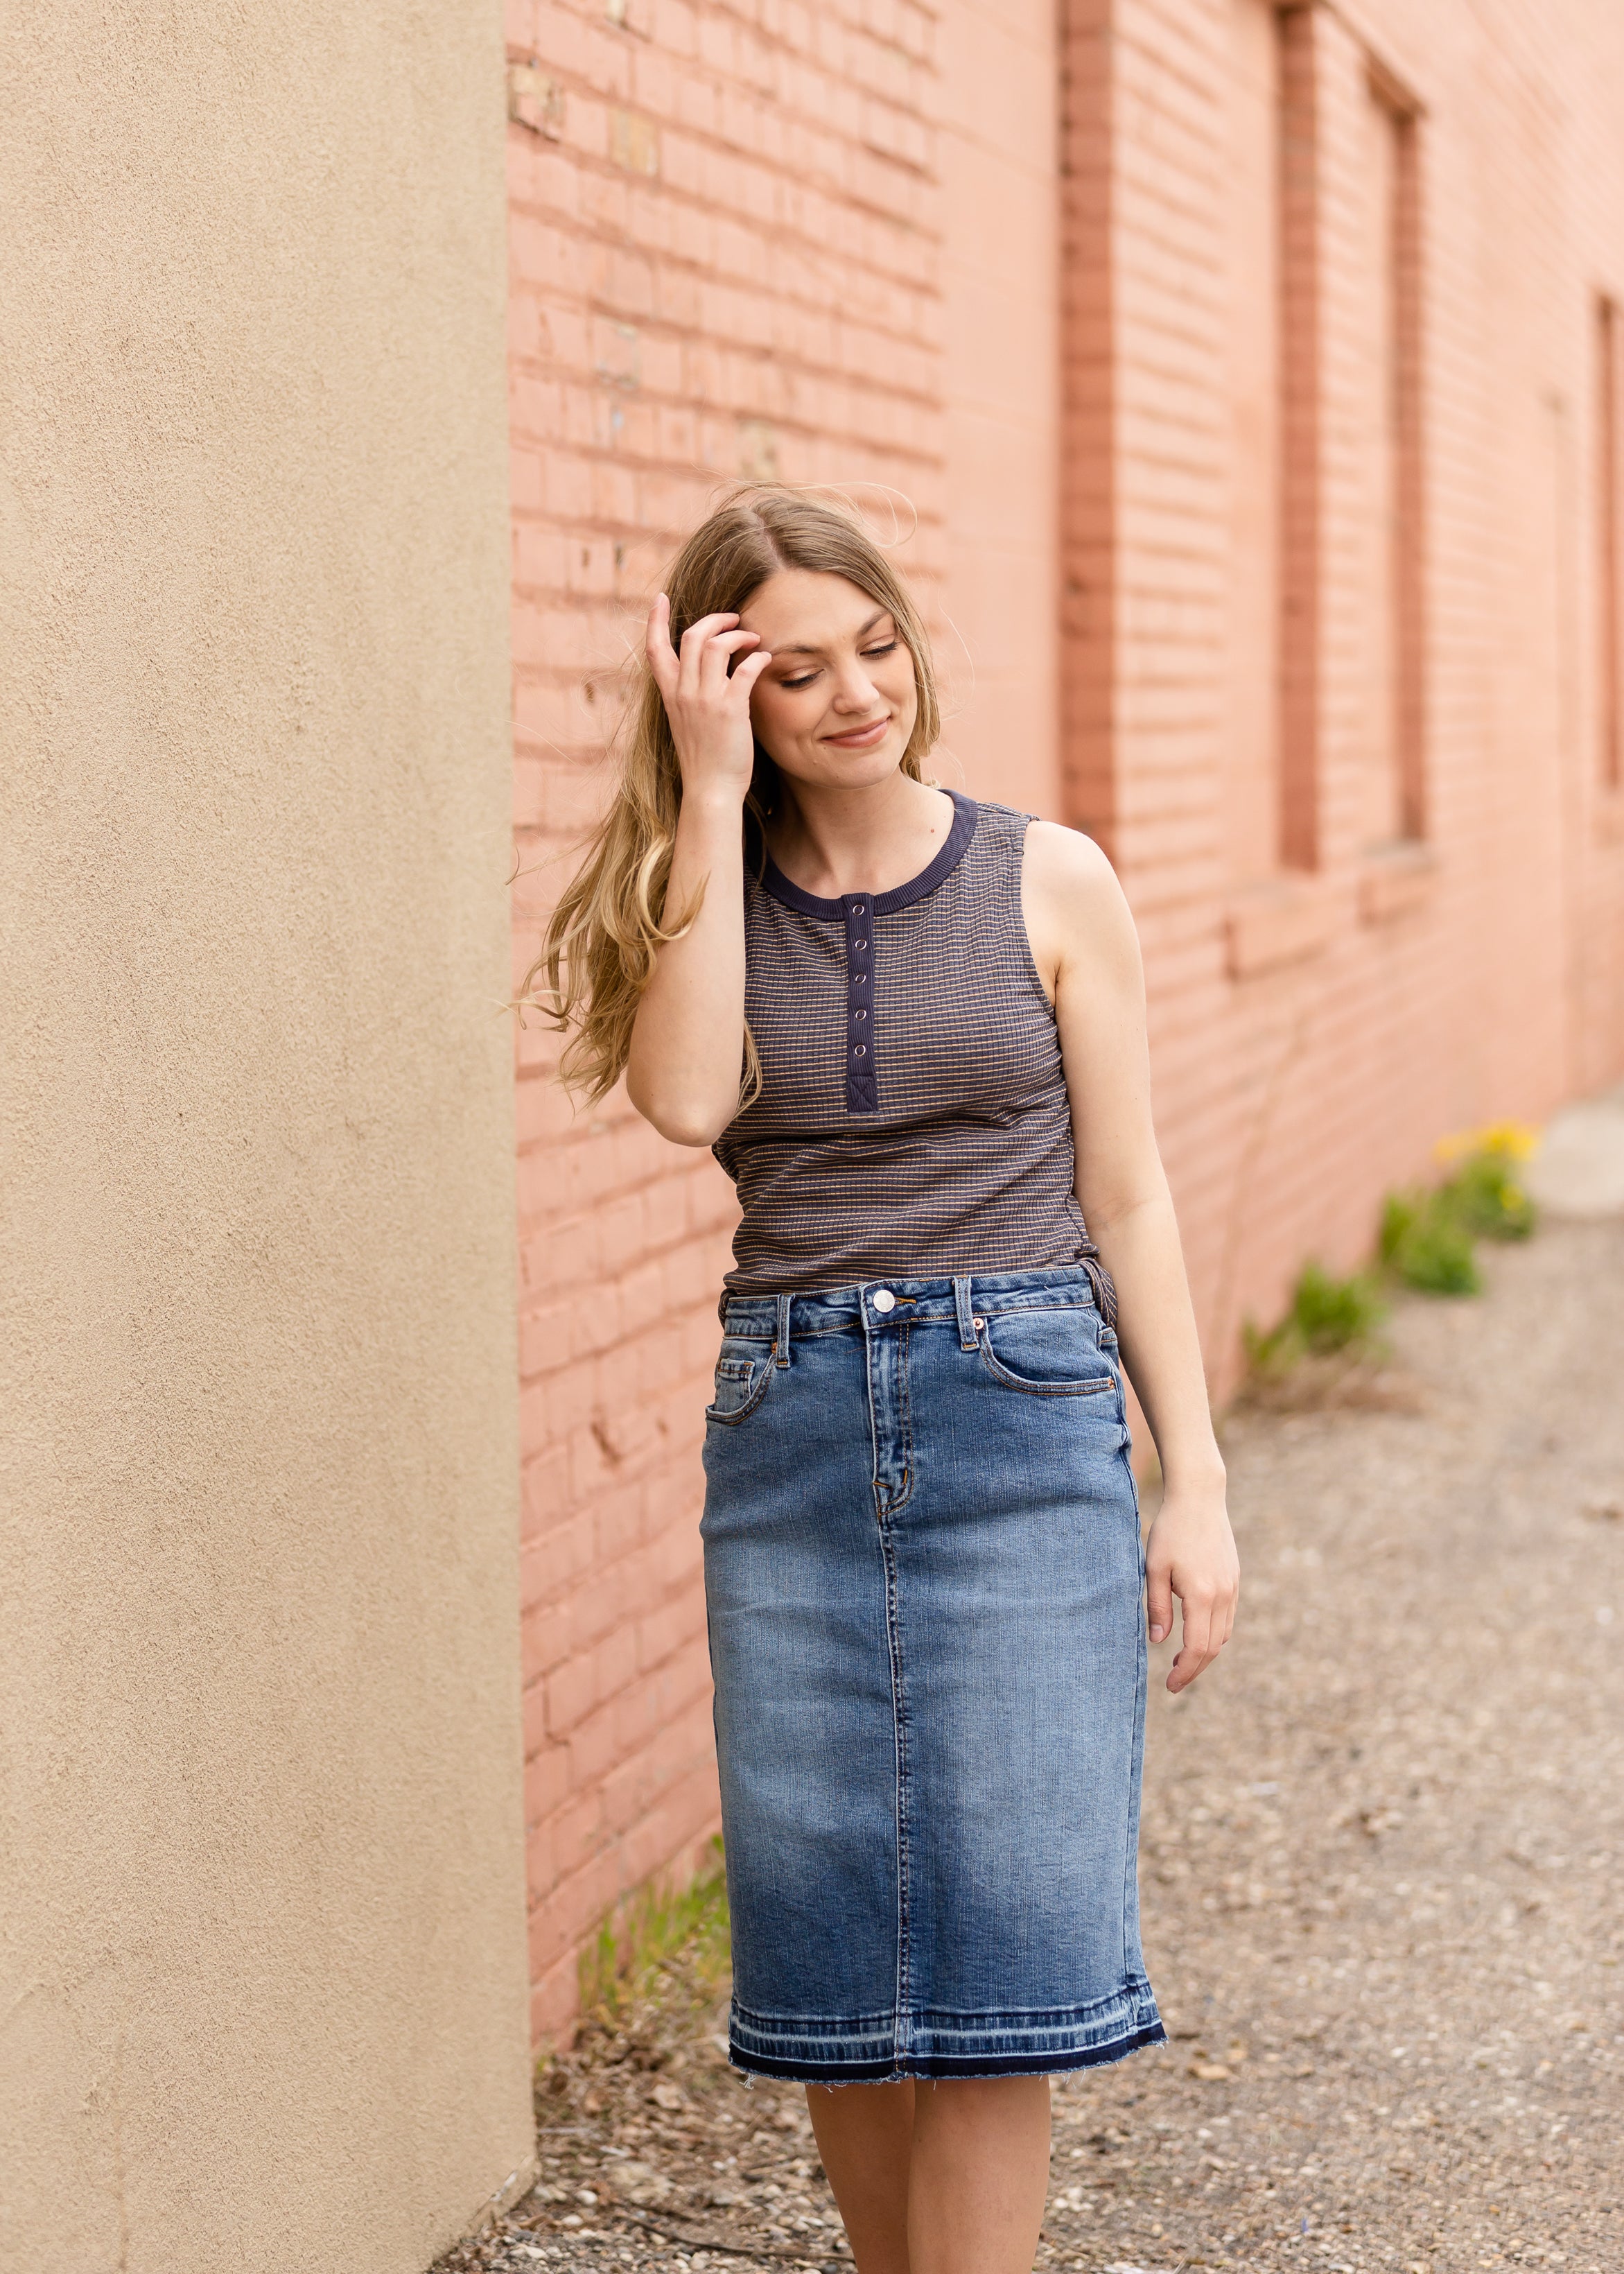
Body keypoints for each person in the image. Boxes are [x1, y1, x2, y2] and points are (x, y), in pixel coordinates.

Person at [533, 487, 1239, 2274]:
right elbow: (691, 1103)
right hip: (795, 1440)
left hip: (1024, 1411)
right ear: (726, 698)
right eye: (794, 672)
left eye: (876, 645)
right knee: (838, 1945)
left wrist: (1198, 1479)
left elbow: (1130, 1193)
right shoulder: (697, 890)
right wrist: (703, 800)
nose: (856, 694)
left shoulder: (1045, 875)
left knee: (1008, 1956)